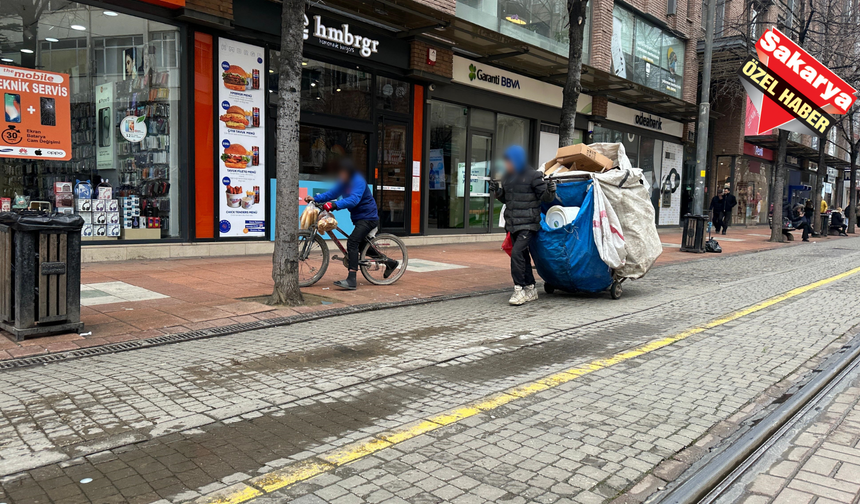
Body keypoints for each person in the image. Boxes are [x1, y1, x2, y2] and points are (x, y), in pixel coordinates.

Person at [307, 159, 396, 290]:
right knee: (362, 246)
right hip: (358, 218)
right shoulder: (343, 181)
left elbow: (354, 199)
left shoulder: (358, 181)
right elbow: (333, 193)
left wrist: (334, 205)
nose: (340, 175)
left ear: (349, 172)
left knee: (352, 242)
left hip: (368, 218)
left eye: (342, 172)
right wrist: (315, 199)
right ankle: (390, 263)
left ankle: (351, 279)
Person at [490, 145, 556, 306]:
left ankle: (519, 289)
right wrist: (498, 192)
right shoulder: (508, 177)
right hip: (512, 224)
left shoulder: (533, 175)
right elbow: (507, 199)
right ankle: (531, 288)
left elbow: (545, 198)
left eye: (509, 161)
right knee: (523, 256)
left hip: (528, 224)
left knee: (517, 254)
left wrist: (550, 190)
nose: (506, 165)